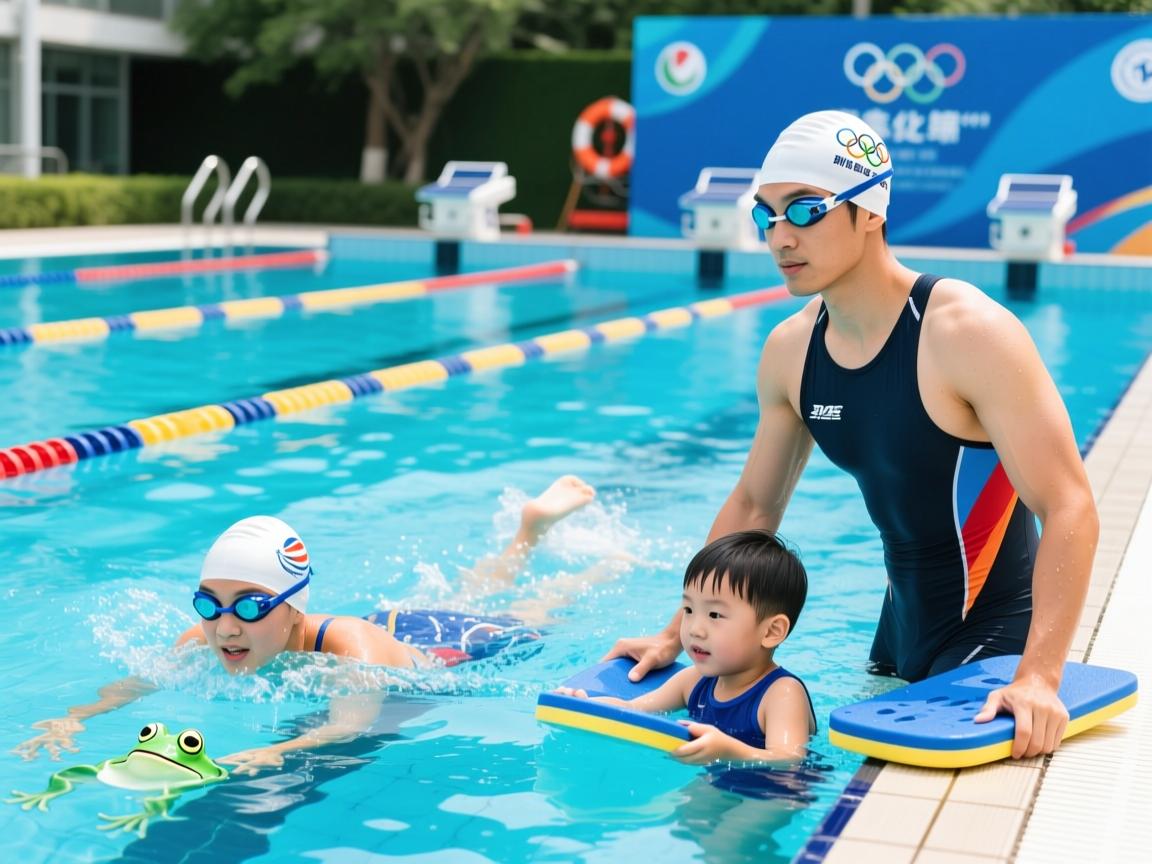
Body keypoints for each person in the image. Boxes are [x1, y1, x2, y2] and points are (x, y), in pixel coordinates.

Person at [607, 109, 1099, 760]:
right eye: (766, 215)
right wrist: (680, 633)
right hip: (896, 628)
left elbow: (1070, 505)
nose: (780, 236)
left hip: (997, 629)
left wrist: (1039, 676)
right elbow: (755, 506)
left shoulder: (965, 334)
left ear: (869, 209)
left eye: (804, 211)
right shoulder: (792, 350)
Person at [16, 475, 605, 774]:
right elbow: (139, 681)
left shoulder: (347, 648)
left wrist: (285, 750)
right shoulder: (204, 635)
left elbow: (351, 724)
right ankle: (527, 532)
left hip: (446, 649)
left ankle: (582, 558)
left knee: (531, 613)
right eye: (209, 603)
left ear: (293, 606)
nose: (225, 627)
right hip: (387, 625)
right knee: (472, 586)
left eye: (250, 606)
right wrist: (75, 719)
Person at [560, 530, 815, 764]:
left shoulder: (781, 693)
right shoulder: (694, 681)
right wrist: (588, 703)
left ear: (771, 631)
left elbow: (789, 760)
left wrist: (729, 751)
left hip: (778, 794)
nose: (694, 628)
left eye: (714, 615)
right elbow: (635, 709)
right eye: (689, 610)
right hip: (720, 776)